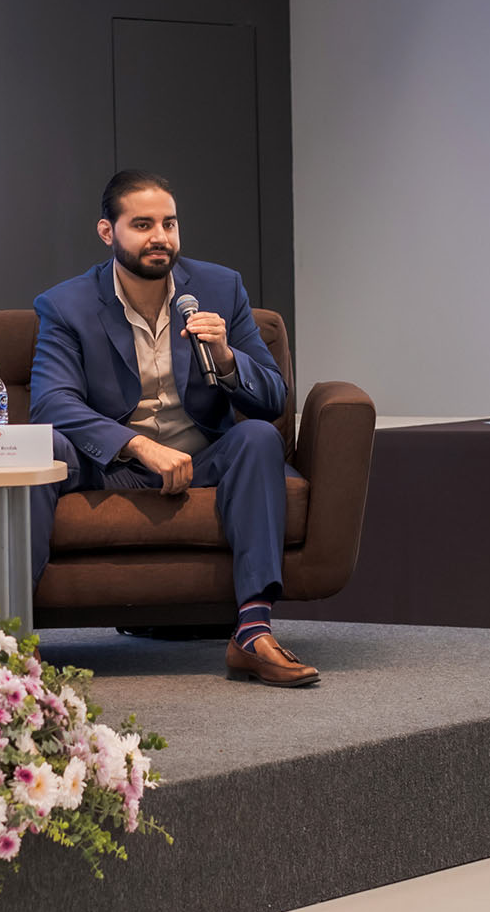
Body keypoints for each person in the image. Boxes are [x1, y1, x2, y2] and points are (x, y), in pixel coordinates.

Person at [29, 170, 318, 687]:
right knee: (41, 448)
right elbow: (52, 402)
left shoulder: (218, 288)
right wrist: (137, 446)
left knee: (258, 437)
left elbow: (273, 398)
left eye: (169, 223)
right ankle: (4, 639)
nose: (160, 237)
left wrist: (228, 358)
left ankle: (252, 633)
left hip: (200, 460)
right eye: (142, 224)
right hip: (111, 466)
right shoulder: (66, 304)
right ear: (106, 231)